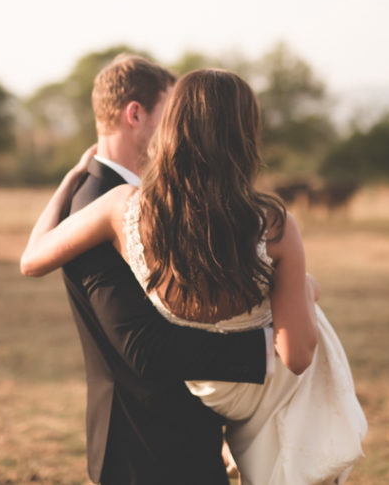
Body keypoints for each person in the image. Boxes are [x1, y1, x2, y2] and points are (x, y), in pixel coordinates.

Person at [22, 68, 367, 485]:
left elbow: (33, 259)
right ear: (245, 134)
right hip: (263, 390)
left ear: (173, 126)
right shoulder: (273, 225)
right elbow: (296, 357)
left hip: (205, 390)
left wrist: (67, 181)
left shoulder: (122, 209)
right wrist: (304, 291)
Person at [39, 55, 271, 485]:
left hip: (175, 442)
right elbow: (142, 348)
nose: (180, 126)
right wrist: (268, 345)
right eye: (172, 112)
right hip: (143, 449)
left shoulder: (138, 199)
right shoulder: (100, 202)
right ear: (135, 113)